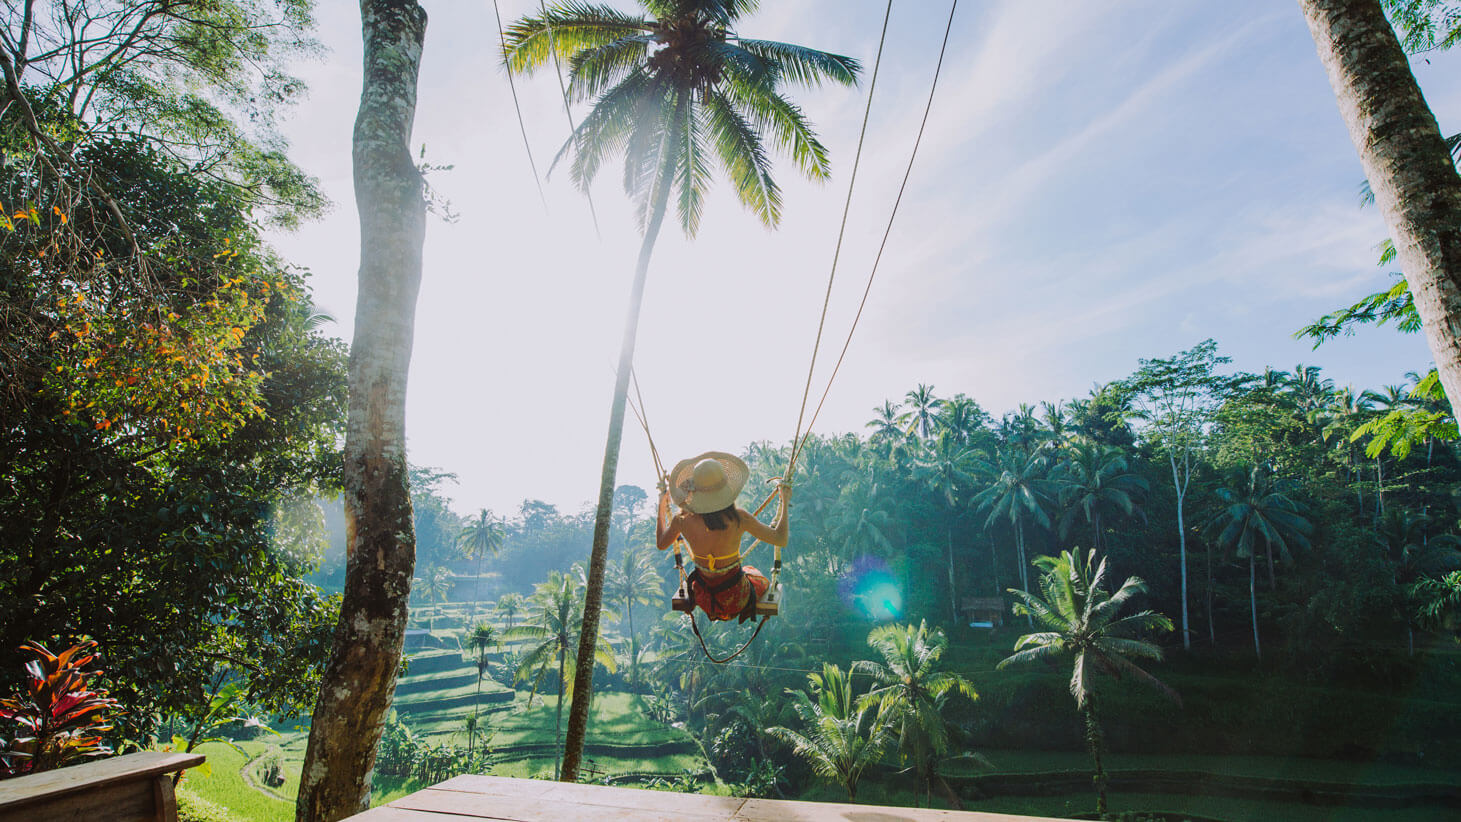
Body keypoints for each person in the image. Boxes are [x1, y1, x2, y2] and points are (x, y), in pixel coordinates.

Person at [656, 451, 790, 622]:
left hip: (703, 597)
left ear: (696, 492)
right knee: (754, 574)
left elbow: (661, 543)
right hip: (736, 598)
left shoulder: (682, 520)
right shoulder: (739, 518)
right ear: (725, 491)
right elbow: (780, 539)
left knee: (741, 574)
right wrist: (784, 501)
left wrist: (661, 503)